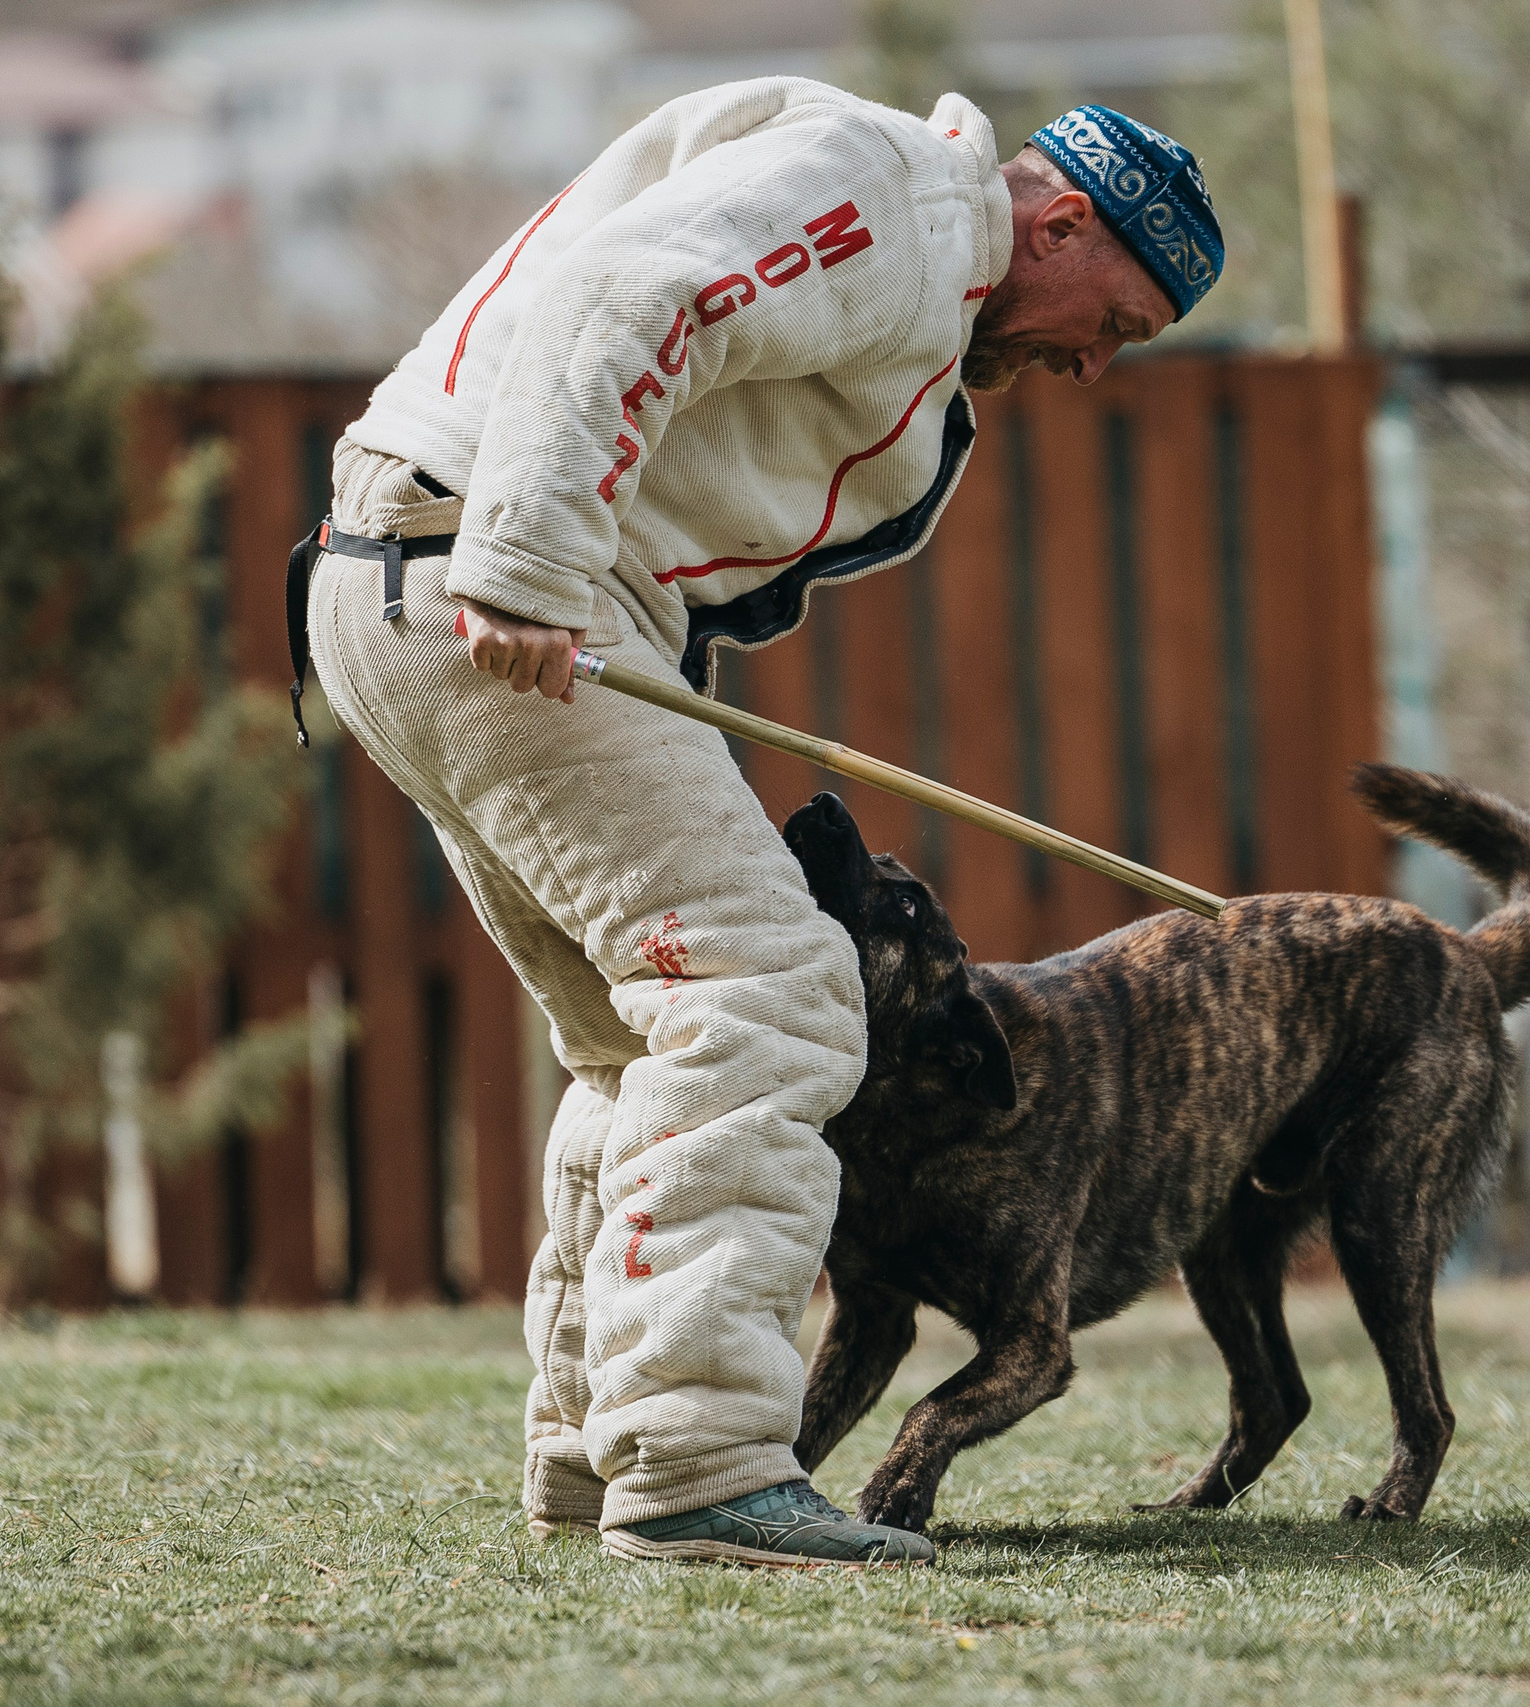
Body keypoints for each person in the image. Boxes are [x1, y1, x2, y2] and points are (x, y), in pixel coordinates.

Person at [291, 81, 1222, 1568]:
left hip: (404, 575)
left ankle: (603, 1448)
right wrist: (532, 560)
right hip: (486, 573)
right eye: (1116, 320)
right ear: (1059, 223)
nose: (1095, 366)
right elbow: (629, 294)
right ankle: (706, 1463)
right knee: (770, 992)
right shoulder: (898, 197)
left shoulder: (913, 241)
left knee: (632, 1030)